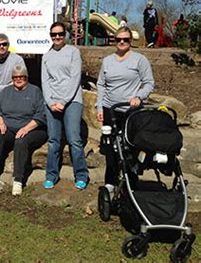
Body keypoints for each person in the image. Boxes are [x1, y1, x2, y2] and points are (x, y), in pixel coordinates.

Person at [96, 26, 155, 194]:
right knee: (111, 148)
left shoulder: (139, 59)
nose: (122, 42)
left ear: (131, 41)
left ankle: (131, 181)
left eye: (126, 40)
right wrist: (99, 106)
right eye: (118, 39)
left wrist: (139, 97)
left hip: (131, 111)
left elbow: (149, 82)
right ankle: (110, 182)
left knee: (131, 147)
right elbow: (101, 84)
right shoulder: (107, 61)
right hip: (110, 109)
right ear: (114, 40)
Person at [0, 64, 47, 196]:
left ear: (26, 77)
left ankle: (18, 179)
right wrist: (1, 122)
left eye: (21, 77)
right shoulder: (6, 91)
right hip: (9, 127)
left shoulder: (35, 91)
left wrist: (27, 128)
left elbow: (41, 115)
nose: (18, 79)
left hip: (33, 128)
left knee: (21, 141)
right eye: (15, 77)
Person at [41, 22, 88, 190]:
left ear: (65, 34)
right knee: (53, 140)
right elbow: (45, 81)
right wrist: (50, 102)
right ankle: (51, 175)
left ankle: (81, 175)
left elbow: (75, 79)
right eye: (53, 35)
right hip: (52, 102)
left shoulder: (73, 52)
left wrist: (64, 101)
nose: (57, 37)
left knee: (74, 139)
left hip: (72, 101)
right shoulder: (46, 56)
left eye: (60, 34)